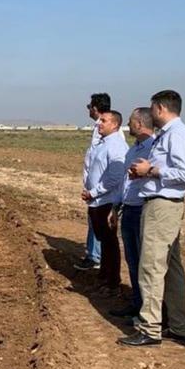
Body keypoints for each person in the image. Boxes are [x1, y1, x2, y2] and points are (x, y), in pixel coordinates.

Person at [118, 90, 185, 347]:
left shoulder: (178, 134)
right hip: (161, 205)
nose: (150, 114)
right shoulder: (169, 135)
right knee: (172, 268)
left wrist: (149, 170)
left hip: (162, 207)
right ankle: (179, 325)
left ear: (161, 108)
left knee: (151, 267)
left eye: (152, 109)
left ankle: (150, 328)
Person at [108, 108, 155, 318]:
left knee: (145, 264)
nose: (128, 125)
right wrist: (115, 206)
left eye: (130, 121)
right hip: (128, 209)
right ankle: (137, 303)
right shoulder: (133, 150)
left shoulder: (153, 149)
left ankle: (147, 310)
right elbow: (124, 183)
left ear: (139, 123)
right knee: (133, 261)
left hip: (142, 209)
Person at [81, 110, 127, 296]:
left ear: (115, 125)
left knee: (109, 243)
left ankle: (113, 283)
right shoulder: (102, 143)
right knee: (104, 241)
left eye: (104, 121)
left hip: (106, 201)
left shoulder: (116, 145)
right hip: (96, 201)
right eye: (100, 120)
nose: (99, 123)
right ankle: (103, 278)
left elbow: (115, 177)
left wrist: (94, 192)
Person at [75, 93, 111, 271]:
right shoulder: (99, 127)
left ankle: (95, 257)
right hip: (95, 187)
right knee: (94, 219)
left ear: (95, 108)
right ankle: (93, 254)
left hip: (101, 188)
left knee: (98, 220)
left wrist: (95, 188)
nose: (88, 110)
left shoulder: (107, 129)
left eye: (89, 106)